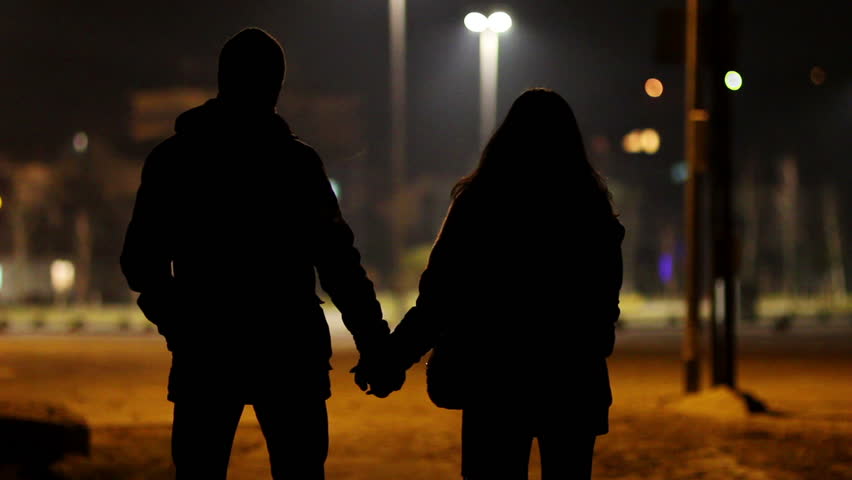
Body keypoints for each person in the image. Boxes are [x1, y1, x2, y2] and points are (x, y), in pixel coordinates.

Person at [120, 27, 401, 480]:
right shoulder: (297, 164)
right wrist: (374, 342)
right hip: (289, 351)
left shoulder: (174, 159)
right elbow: (338, 263)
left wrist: (181, 324)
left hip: (206, 352)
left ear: (221, 79)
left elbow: (140, 262)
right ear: (277, 86)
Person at [387, 88, 625, 479]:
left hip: (494, 381)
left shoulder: (479, 203)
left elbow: (441, 296)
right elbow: (603, 303)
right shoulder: (590, 208)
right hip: (571, 381)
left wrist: (393, 358)